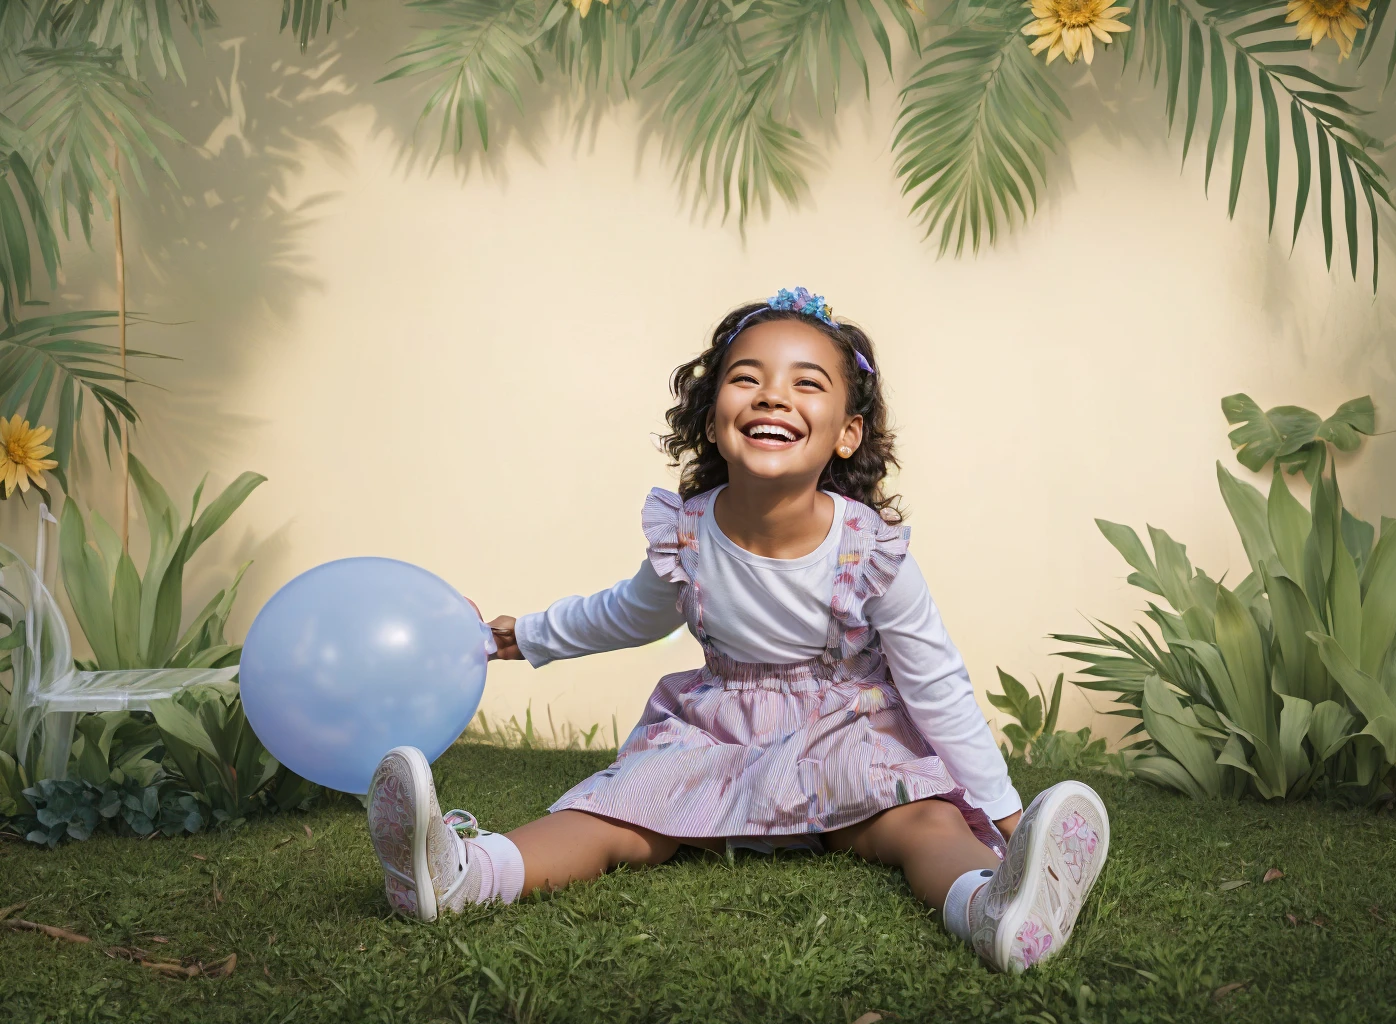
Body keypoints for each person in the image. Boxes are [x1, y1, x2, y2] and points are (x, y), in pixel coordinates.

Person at [365, 288, 1109, 972]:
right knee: (613, 814)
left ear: (847, 434)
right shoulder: (686, 539)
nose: (773, 395)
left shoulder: (870, 550)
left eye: (806, 383)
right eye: (747, 377)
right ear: (713, 415)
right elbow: (624, 613)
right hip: (717, 736)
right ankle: (466, 874)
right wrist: (522, 637)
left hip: (846, 739)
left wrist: (1004, 812)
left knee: (922, 822)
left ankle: (992, 907)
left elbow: (935, 683)